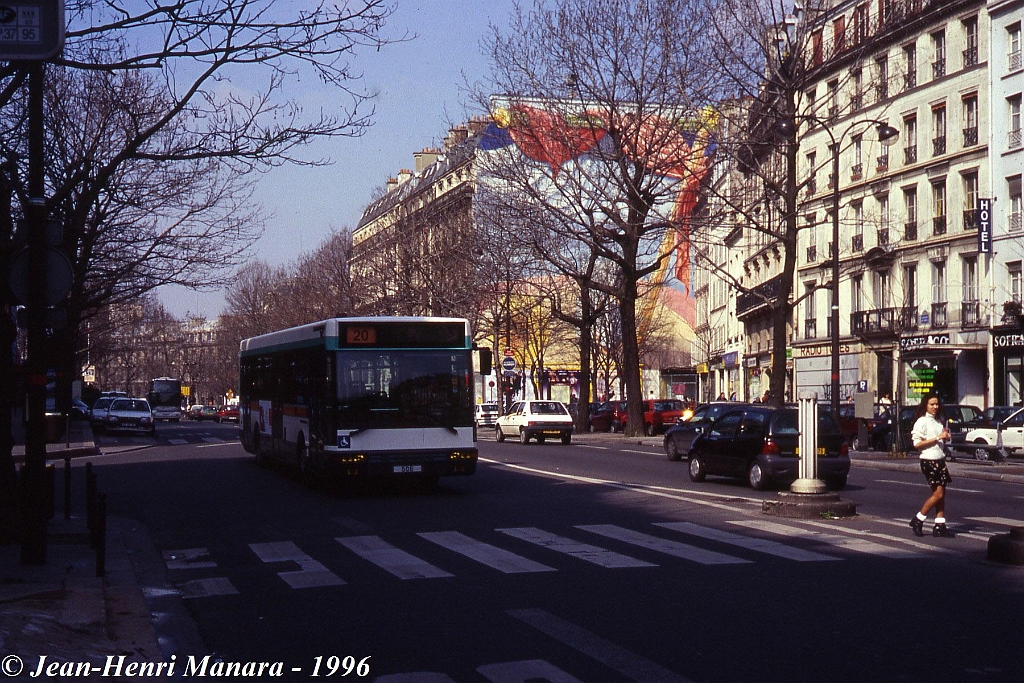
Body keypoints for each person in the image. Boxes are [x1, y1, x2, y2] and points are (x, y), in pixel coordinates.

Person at [909, 393, 953, 537]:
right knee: (938, 494)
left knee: (941, 494)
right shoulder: (921, 422)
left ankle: (940, 524)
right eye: (932, 404)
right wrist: (937, 438)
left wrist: (945, 438)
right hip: (929, 460)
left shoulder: (938, 422)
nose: (935, 407)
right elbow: (917, 444)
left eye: (936, 404)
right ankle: (918, 518)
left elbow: (940, 442)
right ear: (925, 405)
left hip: (939, 459)